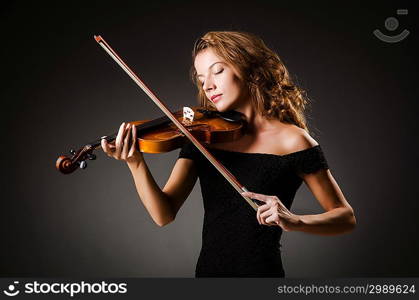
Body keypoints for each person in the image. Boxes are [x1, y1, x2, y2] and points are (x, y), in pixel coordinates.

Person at [100, 31, 356, 277]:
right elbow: (163, 214)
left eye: (218, 71)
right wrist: (135, 163)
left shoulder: (294, 141)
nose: (208, 86)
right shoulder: (203, 137)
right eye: (201, 79)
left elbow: (345, 217)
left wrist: (296, 221)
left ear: (252, 72)